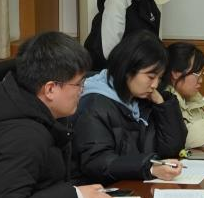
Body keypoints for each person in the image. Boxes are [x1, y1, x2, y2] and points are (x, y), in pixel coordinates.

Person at [0, 32, 115, 198]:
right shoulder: (22, 136)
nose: (82, 91)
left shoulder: (45, 115)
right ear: (50, 89)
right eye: (78, 84)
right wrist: (75, 196)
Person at [74, 31, 187, 184]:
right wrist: (149, 168)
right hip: (104, 191)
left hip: (136, 186)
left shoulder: (141, 99)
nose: (155, 85)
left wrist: (162, 104)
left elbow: (171, 149)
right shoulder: (94, 104)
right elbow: (97, 162)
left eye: (159, 78)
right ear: (127, 69)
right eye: (151, 77)